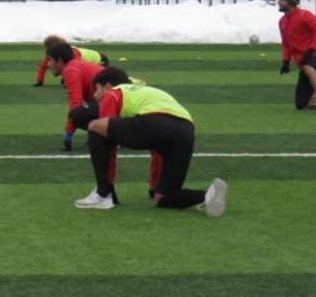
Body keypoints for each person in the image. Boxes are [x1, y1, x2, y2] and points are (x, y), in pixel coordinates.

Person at [74, 67, 227, 218]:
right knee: (163, 198)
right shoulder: (147, 92)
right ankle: (208, 195)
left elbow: (109, 141)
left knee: (95, 127)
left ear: (107, 86)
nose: (95, 95)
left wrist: (108, 188)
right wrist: (154, 186)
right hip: (186, 130)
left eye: (97, 89)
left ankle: (102, 196)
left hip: (155, 122)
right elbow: (158, 141)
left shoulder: (113, 92)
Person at [45, 43, 105, 151]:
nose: (48, 65)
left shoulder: (70, 70)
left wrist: (67, 137)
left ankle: (110, 135)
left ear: (59, 61)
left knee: (77, 113)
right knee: (83, 107)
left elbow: (75, 105)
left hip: (116, 107)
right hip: (113, 105)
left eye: (50, 60)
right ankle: (103, 132)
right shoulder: (74, 66)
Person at [277, 0, 316, 111]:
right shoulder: (282, 21)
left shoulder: (305, 15)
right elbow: (286, 43)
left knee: (308, 67)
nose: (278, 2)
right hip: (304, 62)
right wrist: (286, 60)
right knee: (301, 104)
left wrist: (311, 49)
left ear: (291, 1)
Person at [33, 34, 108, 86]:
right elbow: (43, 66)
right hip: (88, 64)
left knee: (96, 82)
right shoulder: (55, 53)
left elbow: (77, 67)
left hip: (101, 61)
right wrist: (40, 81)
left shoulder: (73, 53)